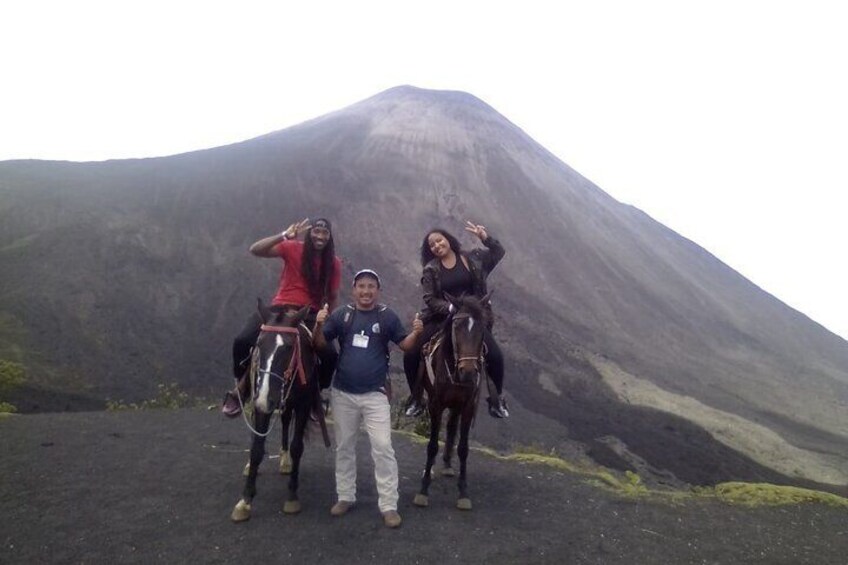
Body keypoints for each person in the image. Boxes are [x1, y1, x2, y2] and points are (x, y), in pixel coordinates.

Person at [314, 269, 423, 529]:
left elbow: (405, 345)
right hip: (344, 393)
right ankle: (345, 496)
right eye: (361, 286)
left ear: (378, 290)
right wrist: (319, 323)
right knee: (345, 446)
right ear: (354, 290)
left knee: (383, 447)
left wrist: (417, 332)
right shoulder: (342, 315)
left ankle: (388, 505)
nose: (366, 291)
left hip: (375, 394)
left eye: (371, 286)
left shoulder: (386, 316)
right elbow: (319, 344)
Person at [222, 217, 342, 417]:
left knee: (330, 355)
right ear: (309, 233)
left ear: (330, 237)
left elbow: (333, 295)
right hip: (279, 308)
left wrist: (327, 318)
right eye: (316, 231)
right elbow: (256, 249)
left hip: (309, 313)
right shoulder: (293, 248)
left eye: (325, 233)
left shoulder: (334, 263)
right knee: (242, 340)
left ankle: (316, 393)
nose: (320, 236)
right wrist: (284, 235)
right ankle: (242, 387)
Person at [403, 220, 508, 418]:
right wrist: (449, 307)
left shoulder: (472, 259)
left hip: (472, 319)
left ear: (448, 240)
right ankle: (416, 398)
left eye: (439, 240)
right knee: (411, 353)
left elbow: (498, 252)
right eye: (432, 245)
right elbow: (429, 298)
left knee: (495, 355)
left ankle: (497, 400)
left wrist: (485, 238)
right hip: (441, 318)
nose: (436, 246)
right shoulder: (431, 269)